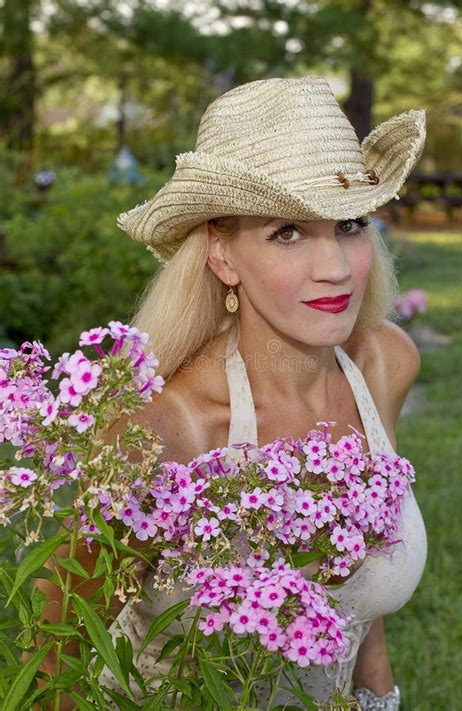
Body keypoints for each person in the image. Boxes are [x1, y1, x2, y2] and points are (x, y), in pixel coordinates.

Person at [43, 75, 429, 709]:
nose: (334, 268)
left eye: (350, 224)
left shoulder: (385, 364)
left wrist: (379, 698)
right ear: (222, 255)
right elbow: (54, 652)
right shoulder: (166, 431)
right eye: (287, 232)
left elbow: (363, 573)